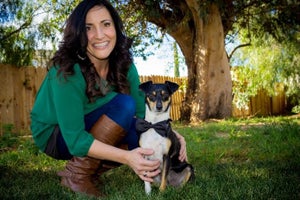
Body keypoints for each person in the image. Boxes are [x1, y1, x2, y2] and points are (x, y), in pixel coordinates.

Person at [30, 0, 187, 197]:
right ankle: (77, 175)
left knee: (137, 131)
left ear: (116, 28)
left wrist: (170, 134)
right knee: (123, 106)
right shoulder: (66, 70)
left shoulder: (125, 64)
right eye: (89, 28)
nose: (100, 35)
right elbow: (76, 140)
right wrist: (127, 157)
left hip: (92, 125)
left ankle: (93, 170)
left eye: (106, 24)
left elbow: (143, 119)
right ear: (78, 33)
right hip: (56, 134)